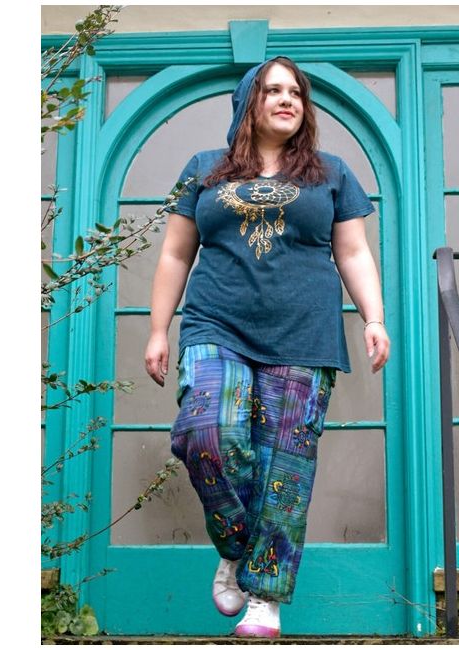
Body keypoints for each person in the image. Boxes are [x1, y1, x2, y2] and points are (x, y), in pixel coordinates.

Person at [145, 56, 390, 638]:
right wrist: (158, 329)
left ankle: (265, 598)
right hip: (215, 325)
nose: (287, 100)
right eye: (272, 90)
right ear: (247, 102)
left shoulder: (331, 173)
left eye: (295, 93)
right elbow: (176, 253)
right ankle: (236, 545)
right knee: (205, 433)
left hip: (304, 334)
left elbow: (353, 251)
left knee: (286, 468)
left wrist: (373, 318)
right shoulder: (204, 168)